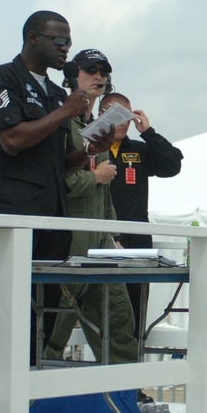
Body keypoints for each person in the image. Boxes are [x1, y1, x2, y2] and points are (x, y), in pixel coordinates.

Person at [0, 10, 112, 413]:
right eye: (59, 41)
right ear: (33, 39)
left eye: (69, 41)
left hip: (52, 216)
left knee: (38, 318)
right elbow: (11, 140)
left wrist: (91, 148)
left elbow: (56, 160)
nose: (66, 49)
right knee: (3, 317)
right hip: (13, 214)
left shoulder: (54, 92)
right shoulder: (1, 81)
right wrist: (66, 111)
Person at [42, 50, 138, 365]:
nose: (99, 76)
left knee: (120, 328)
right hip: (66, 246)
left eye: (104, 71)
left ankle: (126, 397)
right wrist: (93, 178)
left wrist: (113, 234)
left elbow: (105, 195)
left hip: (100, 247)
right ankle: (32, 402)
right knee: (52, 333)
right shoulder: (57, 120)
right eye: (90, 69)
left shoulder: (101, 127)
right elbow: (53, 181)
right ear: (73, 75)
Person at [99, 91, 183, 331]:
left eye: (127, 116)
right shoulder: (88, 150)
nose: (123, 123)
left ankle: (132, 359)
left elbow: (172, 165)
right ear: (101, 116)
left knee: (135, 308)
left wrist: (148, 132)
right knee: (99, 308)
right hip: (101, 237)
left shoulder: (138, 150)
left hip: (136, 237)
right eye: (117, 116)